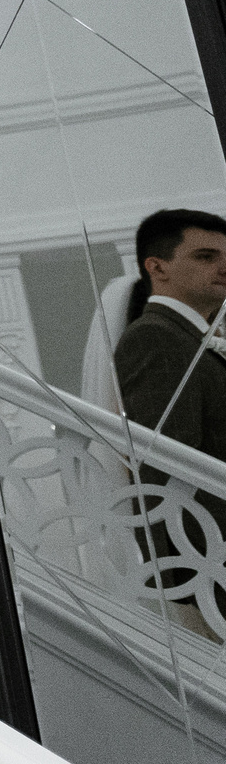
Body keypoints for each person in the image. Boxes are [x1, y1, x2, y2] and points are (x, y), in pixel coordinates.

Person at [112, 206, 226, 642]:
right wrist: (189, 575)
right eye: (204, 256)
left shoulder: (189, 338)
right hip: (207, 563)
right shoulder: (155, 338)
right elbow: (164, 467)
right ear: (156, 267)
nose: (223, 266)